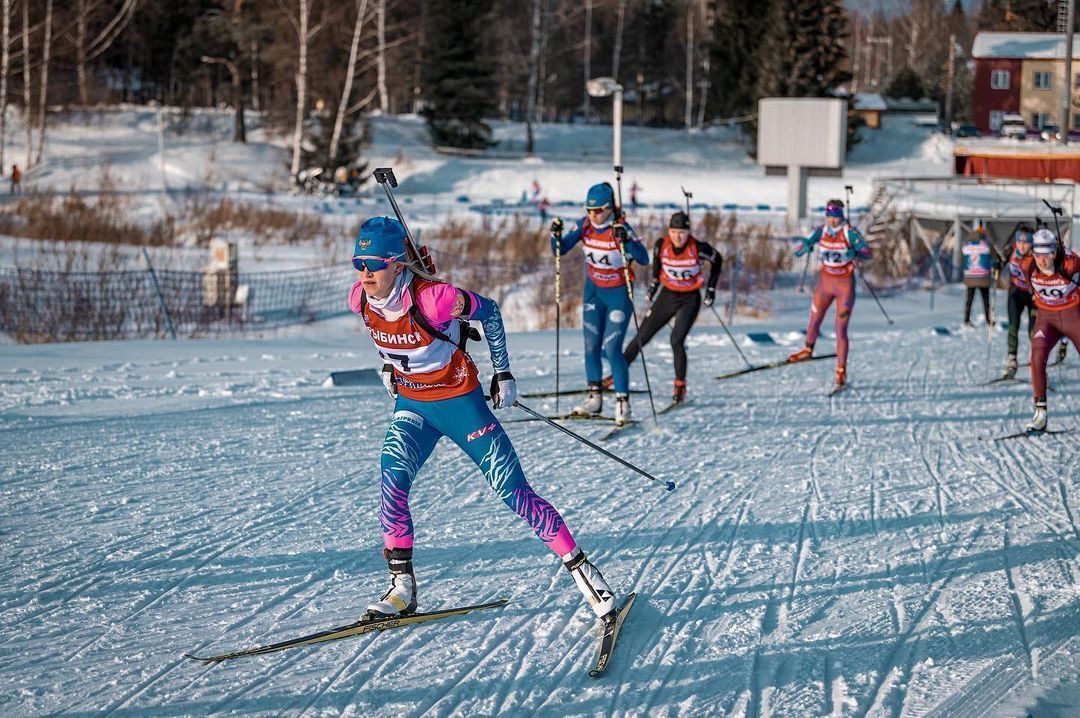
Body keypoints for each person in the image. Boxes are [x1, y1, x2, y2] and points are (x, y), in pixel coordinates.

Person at [350, 216, 619, 622]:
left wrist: (503, 372)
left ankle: (583, 571)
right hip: (414, 406)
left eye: (373, 263)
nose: (365, 272)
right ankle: (401, 589)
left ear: (397, 263)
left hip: (461, 405)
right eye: (359, 263)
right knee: (392, 478)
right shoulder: (359, 299)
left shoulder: (434, 299)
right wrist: (389, 366)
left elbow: (490, 314)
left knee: (513, 491)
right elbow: (386, 336)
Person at [551, 182, 649, 426]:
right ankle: (594, 397)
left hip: (618, 295)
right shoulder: (584, 225)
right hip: (593, 293)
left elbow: (644, 258)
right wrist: (555, 235)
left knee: (613, 348)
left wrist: (628, 241)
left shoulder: (620, 227)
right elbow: (559, 250)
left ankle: (623, 403)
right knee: (590, 346)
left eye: (597, 211)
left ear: (609, 209)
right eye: (589, 210)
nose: (593, 215)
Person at [620, 211, 723, 404]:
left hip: (689, 299)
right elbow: (657, 266)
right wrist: (654, 286)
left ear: (688, 232)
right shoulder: (662, 245)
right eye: (674, 232)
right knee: (642, 336)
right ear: (669, 231)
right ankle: (618, 374)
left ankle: (680, 385)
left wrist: (711, 289)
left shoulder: (698, 248)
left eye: (682, 232)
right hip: (667, 296)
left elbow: (718, 260)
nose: (678, 236)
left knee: (676, 340)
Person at [786, 199, 872, 388]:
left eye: (836, 217)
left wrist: (855, 254)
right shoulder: (821, 230)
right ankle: (807, 350)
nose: (833, 221)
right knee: (814, 319)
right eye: (830, 217)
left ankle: (841, 371)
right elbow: (799, 251)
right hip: (825, 284)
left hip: (844, 287)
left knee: (840, 329)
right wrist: (806, 247)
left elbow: (868, 253)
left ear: (841, 216)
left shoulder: (850, 233)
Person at [1022, 228, 1080, 432]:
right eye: (1037, 255)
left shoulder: (1069, 264)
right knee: (1037, 356)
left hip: (1073, 315)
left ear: (1054, 253)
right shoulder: (1028, 265)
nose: (1041, 260)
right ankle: (1040, 414)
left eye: (1045, 255)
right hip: (1046, 318)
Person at [1001, 226, 1036, 379]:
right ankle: (1011, 361)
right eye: (1019, 241)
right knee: (1013, 326)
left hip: (1033, 297)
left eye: (1026, 242)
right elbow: (1002, 260)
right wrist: (998, 263)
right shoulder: (1012, 251)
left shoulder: (1037, 257)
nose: (1022, 245)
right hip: (1016, 293)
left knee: (1033, 331)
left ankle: (1037, 362)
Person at [961, 228, 993, 326]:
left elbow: (960, 260)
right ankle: (989, 320)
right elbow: (994, 257)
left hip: (970, 277)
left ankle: (966, 319)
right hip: (984, 277)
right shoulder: (986, 245)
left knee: (969, 300)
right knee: (986, 300)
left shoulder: (966, 245)